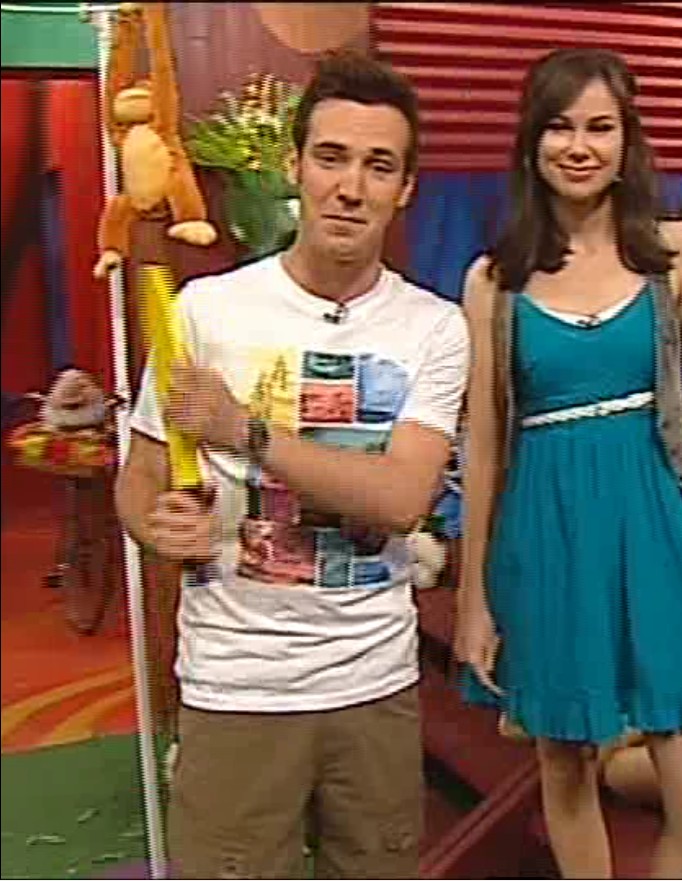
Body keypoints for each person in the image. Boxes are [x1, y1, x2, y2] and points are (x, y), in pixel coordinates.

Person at [115, 50, 469, 879]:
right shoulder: (207, 311)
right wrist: (155, 524)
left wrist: (245, 429)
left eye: (378, 165)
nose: (350, 187)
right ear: (294, 166)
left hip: (373, 685)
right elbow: (138, 477)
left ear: (404, 188)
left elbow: (401, 498)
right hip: (235, 686)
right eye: (331, 157)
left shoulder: (434, 328)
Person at [454, 48, 682, 879]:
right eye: (560, 127)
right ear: (531, 141)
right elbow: (485, 442)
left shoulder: (677, 251)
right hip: (546, 533)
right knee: (567, 767)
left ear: (627, 139)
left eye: (599, 127)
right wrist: (472, 600)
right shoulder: (494, 279)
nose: (579, 146)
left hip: (658, 527)